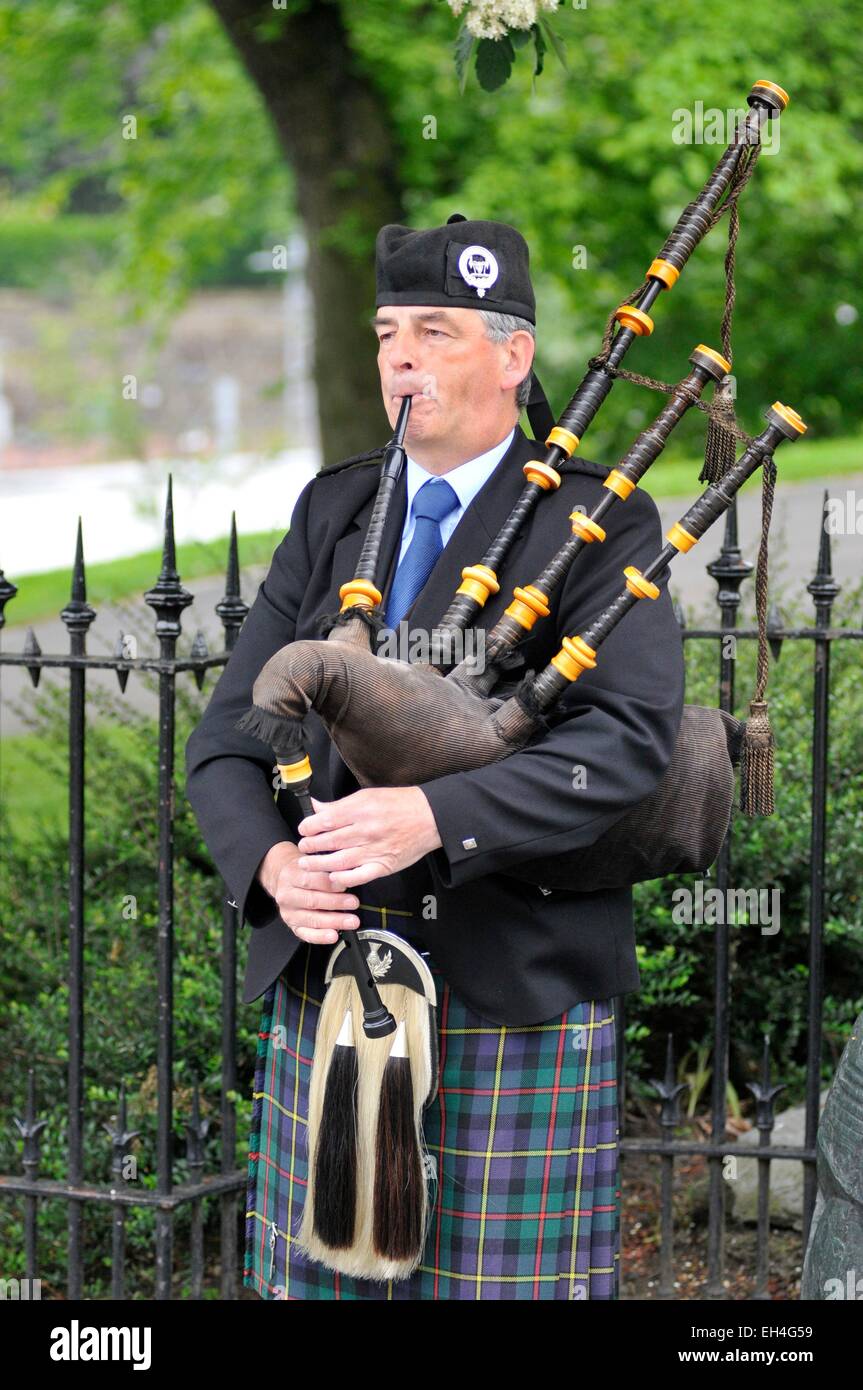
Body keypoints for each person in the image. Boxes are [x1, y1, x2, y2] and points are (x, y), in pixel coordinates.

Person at [184, 213, 685, 1300]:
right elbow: (230, 736)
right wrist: (273, 870)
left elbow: (623, 741)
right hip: (332, 982)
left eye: (434, 331)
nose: (399, 357)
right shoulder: (336, 510)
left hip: (506, 988)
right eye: (383, 334)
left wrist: (434, 816)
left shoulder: (598, 520)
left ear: (512, 358)